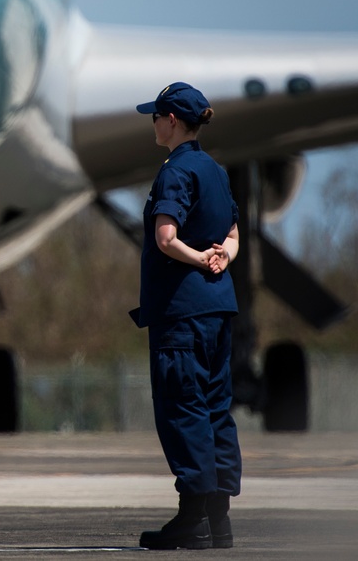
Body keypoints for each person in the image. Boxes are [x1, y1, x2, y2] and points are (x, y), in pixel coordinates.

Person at [130, 82, 243, 550]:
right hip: (219, 306)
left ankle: (191, 517)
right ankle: (219, 520)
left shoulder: (176, 171)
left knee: (183, 407)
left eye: (155, 116)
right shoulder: (215, 171)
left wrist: (197, 259)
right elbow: (233, 231)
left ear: (171, 121)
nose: (153, 123)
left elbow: (165, 237)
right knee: (216, 407)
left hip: (182, 314)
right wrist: (222, 258)